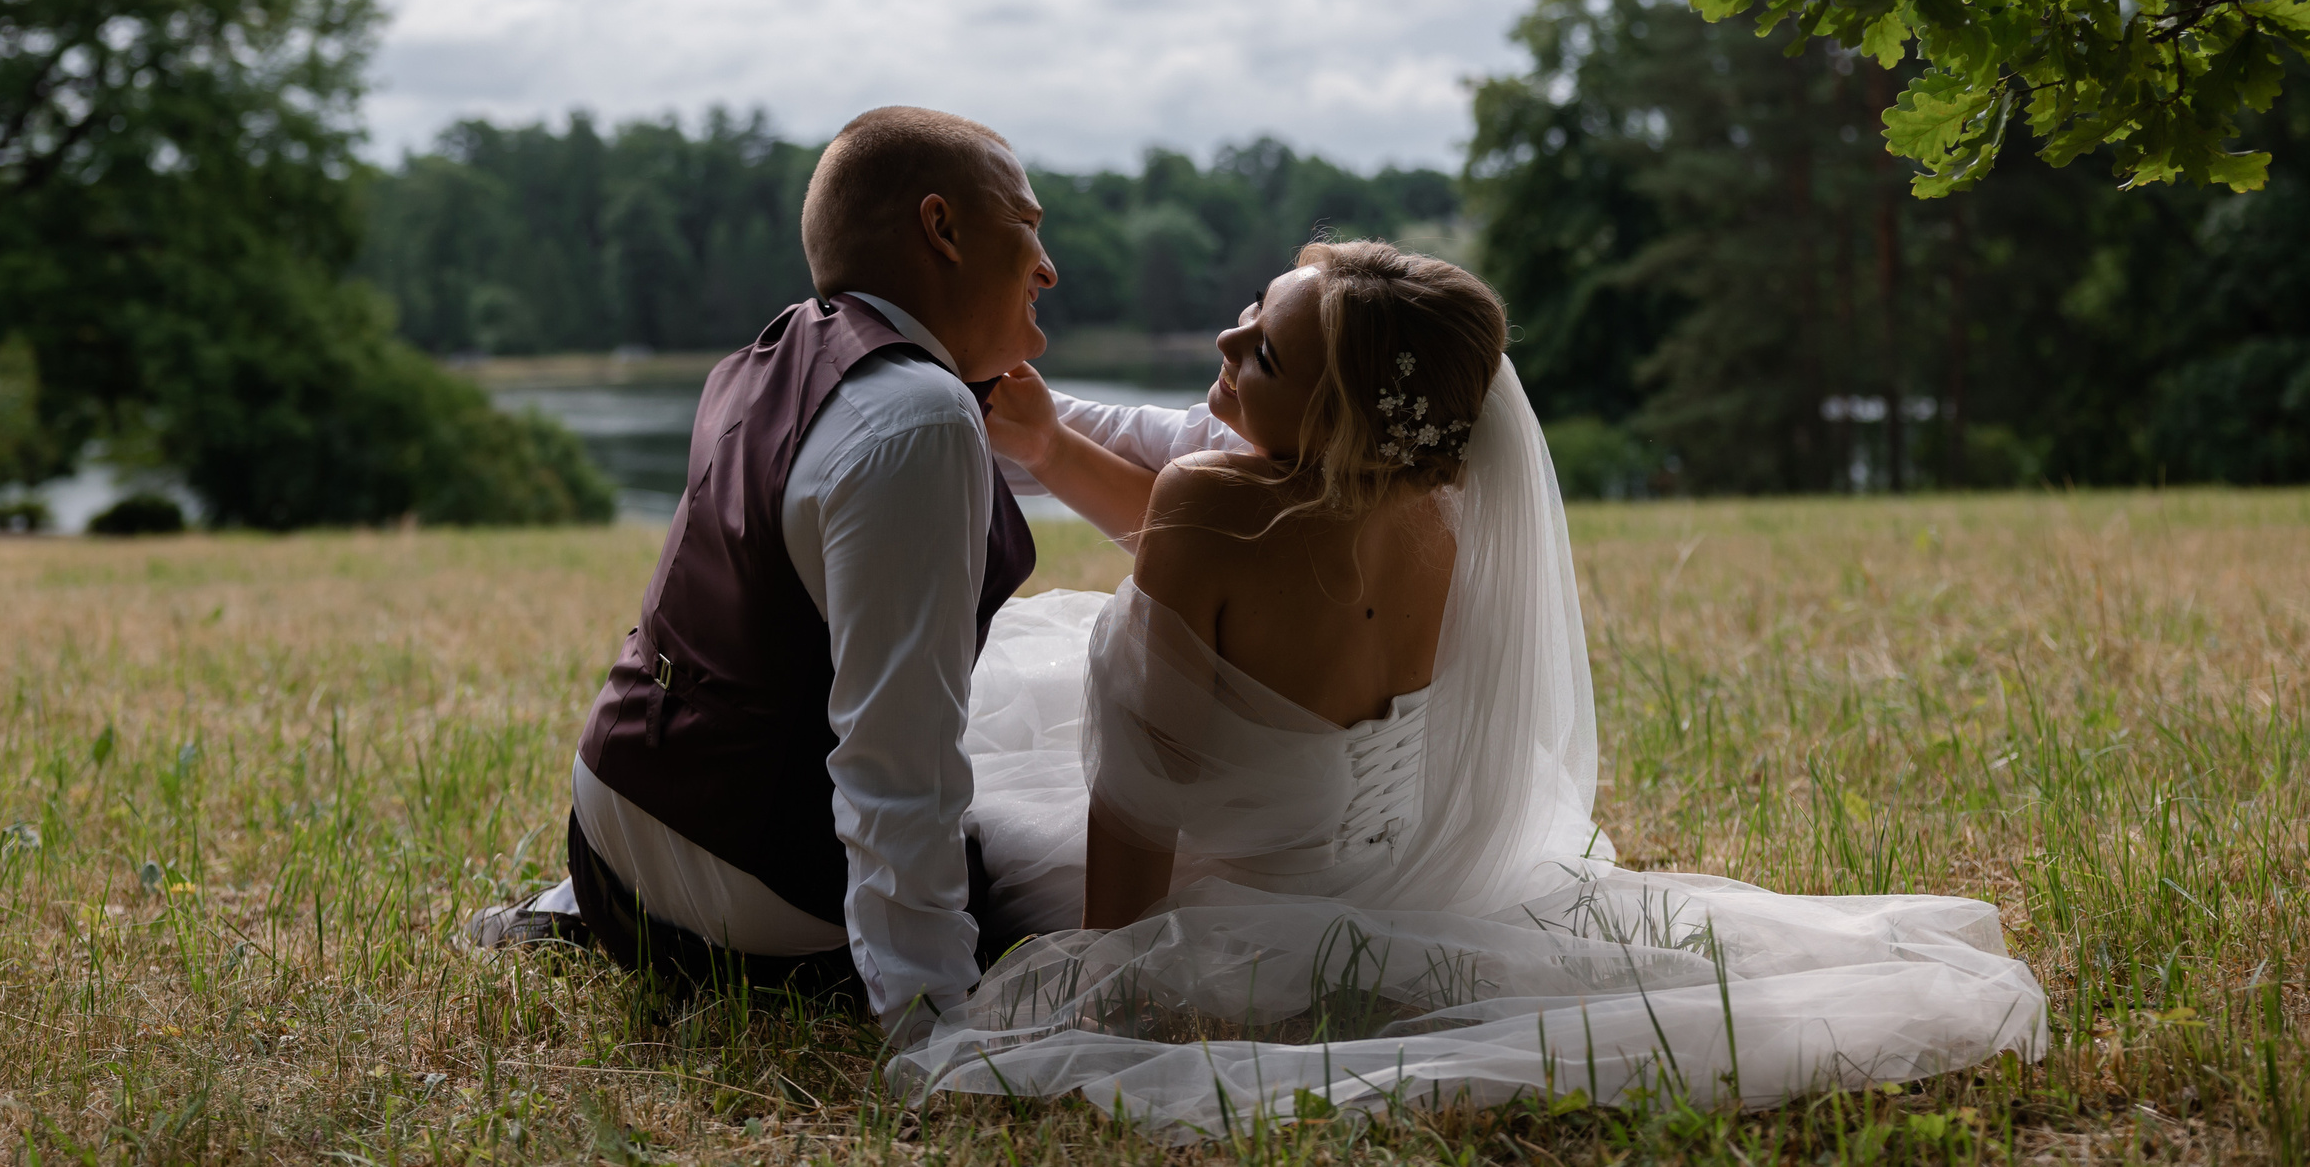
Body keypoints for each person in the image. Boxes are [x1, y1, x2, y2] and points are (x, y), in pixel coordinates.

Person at [901, 240, 2046, 1134]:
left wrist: (1115, 976)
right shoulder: (1439, 508)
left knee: (988, 759)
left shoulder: (1211, 502)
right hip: (1387, 871)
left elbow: (1137, 797)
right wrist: (1052, 449)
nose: (1226, 334)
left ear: (1345, 422)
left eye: (1264, 352)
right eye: (1254, 316)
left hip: (1236, 909)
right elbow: (1212, 571)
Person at [469, 106, 1055, 1044]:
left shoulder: (774, 357)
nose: (1047, 265)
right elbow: (894, 763)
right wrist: (937, 1022)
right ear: (941, 228)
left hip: (610, 841)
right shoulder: (922, 416)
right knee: (1037, 878)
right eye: (1027, 225)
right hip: (752, 895)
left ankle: (575, 913)